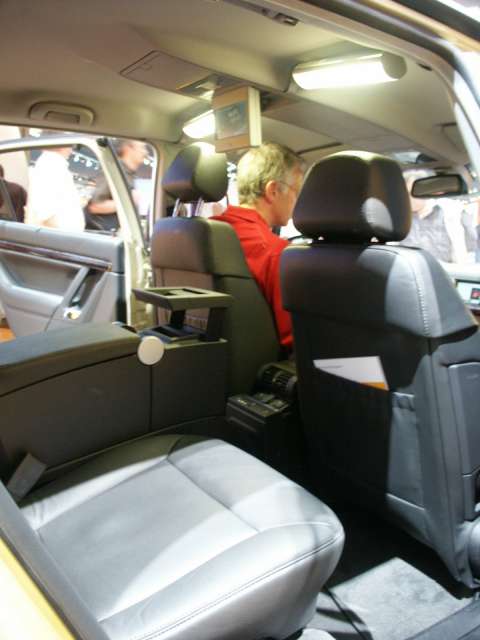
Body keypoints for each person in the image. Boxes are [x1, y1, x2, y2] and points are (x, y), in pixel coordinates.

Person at [212, 142, 305, 350]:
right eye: (296, 192)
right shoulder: (274, 252)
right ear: (273, 190)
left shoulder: (206, 232)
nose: (297, 201)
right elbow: (293, 340)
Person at [400, 171, 469, 263]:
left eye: (411, 193)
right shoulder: (400, 219)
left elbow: (461, 254)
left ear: (425, 191)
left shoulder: (448, 215)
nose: (407, 198)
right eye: (404, 194)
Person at [86, 139, 147, 231]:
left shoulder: (126, 173)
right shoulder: (114, 171)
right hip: (103, 234)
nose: (145, 152)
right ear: (128, 148)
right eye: (142, 148)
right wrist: (129, 201)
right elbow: (95, 206)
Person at [25, 146, 85, 232]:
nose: (71, 150)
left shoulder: (53, 164)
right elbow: (44, 211)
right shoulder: (51, 165)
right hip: (58, 236)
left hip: (59, 236)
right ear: (62, 146)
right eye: (70, 146)